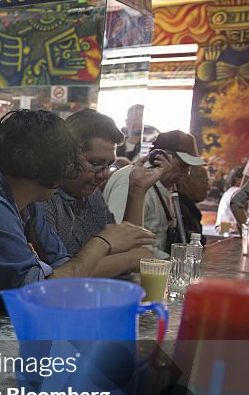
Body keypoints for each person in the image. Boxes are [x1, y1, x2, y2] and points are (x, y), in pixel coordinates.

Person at [0, 110, 154, 305]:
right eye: (69, 161)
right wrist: (101, 243)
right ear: (46, 164)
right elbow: (39, 295)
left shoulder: (27, 202)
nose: (72, 169)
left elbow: (64, 267)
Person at [36, 109, 158, 277]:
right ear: (67, 155)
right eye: (95, 163)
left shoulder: (93, 196)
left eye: (109, 165)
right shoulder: (43, 197)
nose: (104, 174)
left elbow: (125, 247)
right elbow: (60, 274)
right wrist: (130, 260)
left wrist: (137, 190)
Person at [102, 130, 206, 258]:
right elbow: (118, 236)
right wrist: (167, 261)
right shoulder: (128, 181)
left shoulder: (162, 185)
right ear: (160, 157)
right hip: (130, 271)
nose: (186, 174)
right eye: (182, 166)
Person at [176, 165, 210, 236]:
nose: (208, 187)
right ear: (185, 182)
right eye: (204, 181)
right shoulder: (179, 209)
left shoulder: (189, 209)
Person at [214, 167, 243, 235]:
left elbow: (223, 226)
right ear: (237, 180)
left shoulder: (228, 192)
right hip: (234, 234)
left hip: (225, 232)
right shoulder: (237, 192)